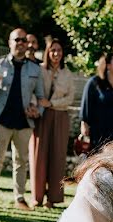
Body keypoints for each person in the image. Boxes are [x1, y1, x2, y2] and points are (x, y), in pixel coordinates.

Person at [0, 27, 43, 211]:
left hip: (24, 122)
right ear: (10, 43)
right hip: (1, 120)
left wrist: (37, 110)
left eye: (23, 40)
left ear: (27, 44)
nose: (20, 43)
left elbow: (41, 96)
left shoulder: (35, 68)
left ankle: (20, 198)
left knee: (21, 161)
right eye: (17, 40)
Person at [29, 38, 73, 208]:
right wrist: (37, 104)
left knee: (58, 156)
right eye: (53, 50)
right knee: (38, 155)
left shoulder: (67, 73)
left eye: (59, 50)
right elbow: (32, 90)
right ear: (48, 52)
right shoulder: (40, 70)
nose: (56, 53)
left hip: (60, 116)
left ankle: (52, 198)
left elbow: (69, 97)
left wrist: (52, 103)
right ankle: (37, 197)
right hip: (41, 116)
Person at [80, 50, 113, 151]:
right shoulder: (95, 82)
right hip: (101, 130)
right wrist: (84, 123)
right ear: (107, 65)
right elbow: (86, 103)